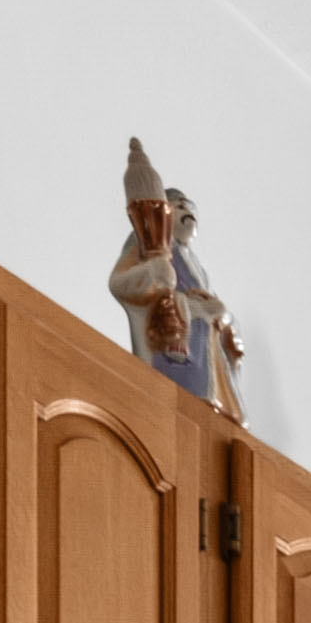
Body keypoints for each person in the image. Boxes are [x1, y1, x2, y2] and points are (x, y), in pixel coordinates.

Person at [107, 141, 245, 421]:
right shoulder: (146, 244)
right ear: (165, 212)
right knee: (176, 410)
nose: (187, 210)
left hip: (204, 350)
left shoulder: (195, 264)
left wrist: (222, 317)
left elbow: (212, 306)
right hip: (172, 347)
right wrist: (154, 272)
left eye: (189, 206)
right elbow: (120, 282)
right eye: (179, 205)